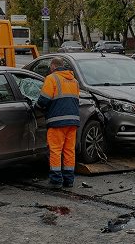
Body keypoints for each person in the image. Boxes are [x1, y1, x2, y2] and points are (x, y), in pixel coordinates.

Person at [35, 57, 80, 189]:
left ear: (53, 66)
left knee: (55, 150)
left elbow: (44, 99)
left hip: (57, 121)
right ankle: (68, 180)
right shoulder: (74, 81)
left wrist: (36, 107)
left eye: (50, 68)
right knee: (69, 151)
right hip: (73, 121)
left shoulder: (52, 78)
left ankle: (56, 180)